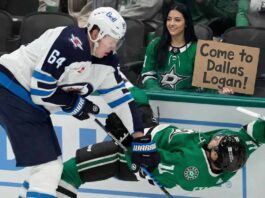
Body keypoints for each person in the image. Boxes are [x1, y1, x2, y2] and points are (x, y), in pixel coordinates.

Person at [0, 7, 148, 198]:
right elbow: (41, 90)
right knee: (48, 170)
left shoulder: (106, 62)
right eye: (110, 41)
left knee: (47, 169)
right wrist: (74, 103)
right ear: (95, 33)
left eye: (116, 43)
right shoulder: (67, 41)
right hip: (11, 89)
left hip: (26, 102)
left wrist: (140, 140)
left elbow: (122, 100)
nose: (113, 47)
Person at [54, 112, 265, 197]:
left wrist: (127, 139)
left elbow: (148, 161)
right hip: (150, 130)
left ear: (215, 157)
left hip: (130, 161)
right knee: (132, 91)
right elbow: (258, 133)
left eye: (218, 142)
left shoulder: (189, 168)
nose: (219, 136)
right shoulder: (238, 149)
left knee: (72, 171)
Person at [141, 2, 233, 94]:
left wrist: (219, 91)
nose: (171, 23)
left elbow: (205, 85)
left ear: (186, 23)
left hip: (187, 101)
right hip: (158, 98)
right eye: (169, 19)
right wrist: (158, 93)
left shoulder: (198, 50)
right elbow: (148, 74)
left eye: (177, 20)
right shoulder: (155, 44)